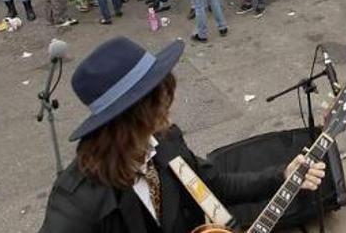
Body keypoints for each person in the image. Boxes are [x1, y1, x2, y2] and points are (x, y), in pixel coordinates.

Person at [39, 36, 326, 232]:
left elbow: (215, 184)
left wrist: (281, 175)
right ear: (134, 116)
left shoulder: (165, 142)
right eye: (159, 103)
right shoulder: (76, 204)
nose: (169, 109)